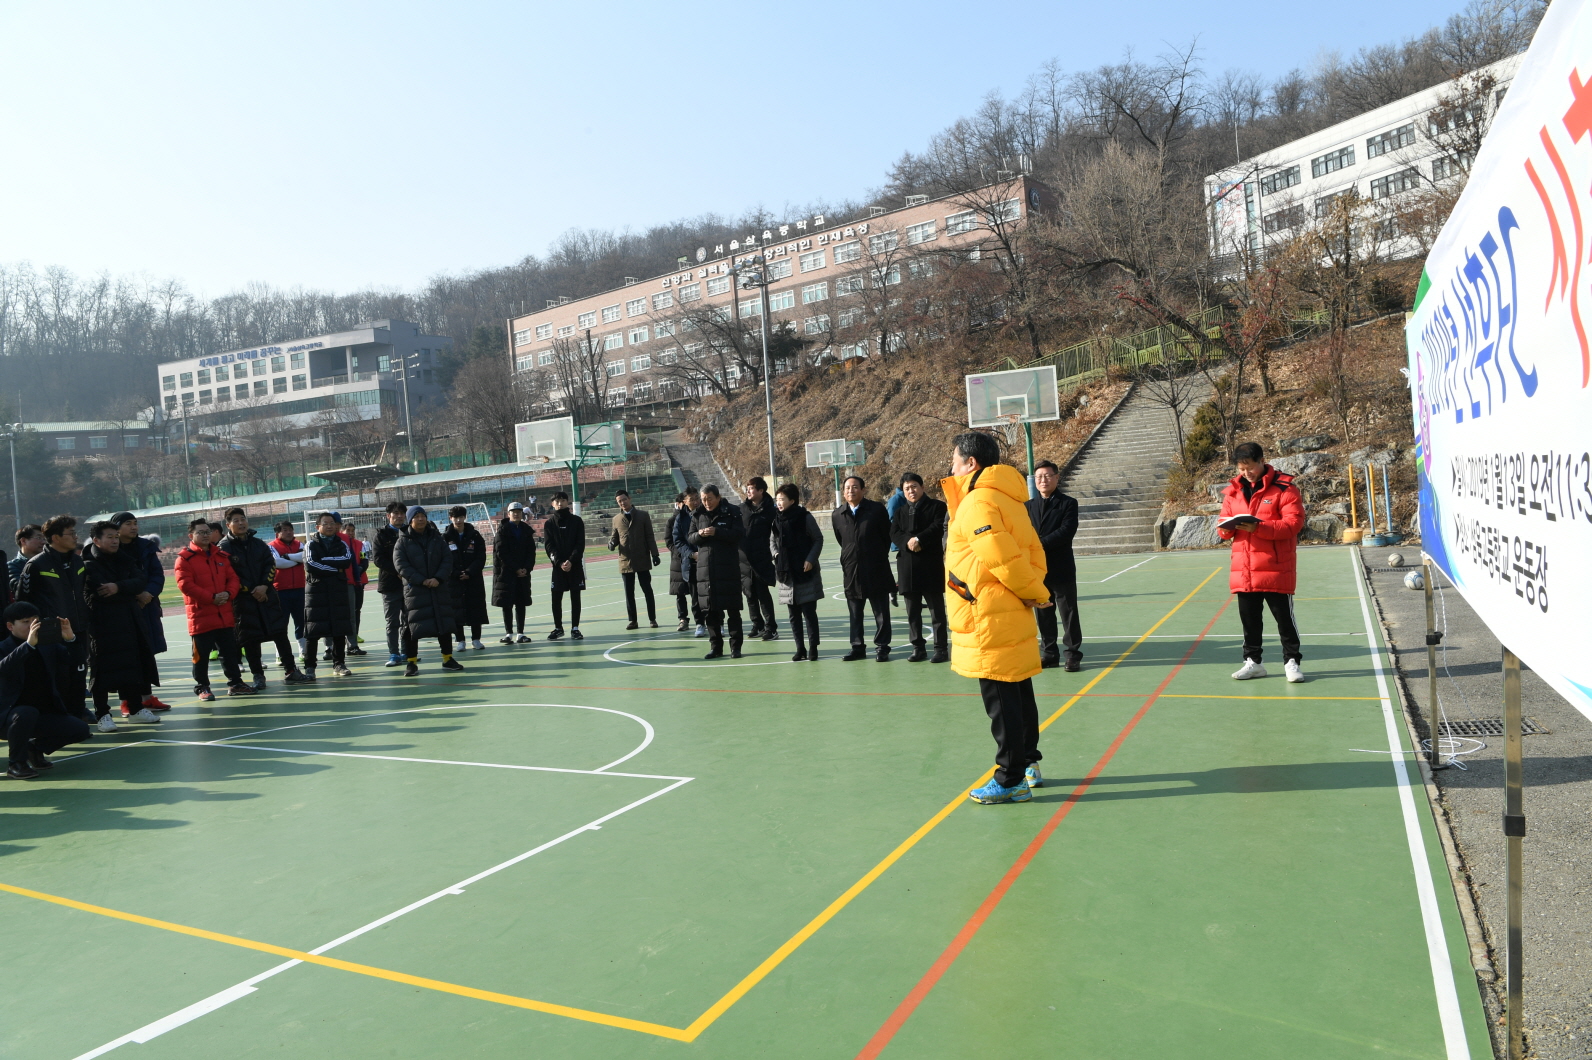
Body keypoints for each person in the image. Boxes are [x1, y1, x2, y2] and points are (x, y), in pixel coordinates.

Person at [943, 430, 1053, 805]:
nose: (951, 467)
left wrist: (1035, 592)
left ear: (971, 464)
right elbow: (1033, 552)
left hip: (987, 615)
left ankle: (1010, 778)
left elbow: (1001, 557)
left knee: (1002, 701)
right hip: (1008, 610)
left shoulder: (977, 502)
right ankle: (1028, 765)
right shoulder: (1010, 499)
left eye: (954, 460)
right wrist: (1032, 589)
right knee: (1019, 691)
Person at [1217, 441, 1307, 682]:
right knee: (1249, 620)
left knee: (1284, 619)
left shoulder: (1284, 488)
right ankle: (1253, 662)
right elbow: (1224, 523)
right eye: (1241, 468)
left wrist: (1259, 528)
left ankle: (1292, 662)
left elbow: (1293, 524)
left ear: (1262, 461)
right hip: (1244, 569)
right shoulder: (1233, 491)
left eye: (1250, 467)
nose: (1246, 472)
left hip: (1275, 566)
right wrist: (1226, 530)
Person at [81, 521, 163, 728]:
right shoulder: (88, 564)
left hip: (130, 621)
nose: (115, 540)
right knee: (101, 671)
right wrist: (128, 591)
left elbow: (140, 581)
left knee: (134, 666)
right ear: (96, 540)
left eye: (116, 536)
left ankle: (135, 708)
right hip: (103, 625)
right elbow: (100, 592)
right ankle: (102, 714)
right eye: (110, 536)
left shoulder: (125, 560)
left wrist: (118, 587)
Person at [220, 507, 309, 689]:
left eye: (242, 519)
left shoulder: (258, 543)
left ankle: (291, 670)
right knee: (250, 638)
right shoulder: (224, 548)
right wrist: (251, 590)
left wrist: (264, 586)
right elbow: (229, 575)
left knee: (279, 632)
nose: (241, 523)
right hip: (243, 600)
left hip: (267, 596)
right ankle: (258, 675)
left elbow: (270, 565)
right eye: (235, 520)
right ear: (228, 525)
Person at [0, 602, 91, 779]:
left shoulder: (48, 645)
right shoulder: (3, 647)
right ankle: (16, 763)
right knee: (26, 712)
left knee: (80, 729)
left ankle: (35, 750)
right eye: (26, 621)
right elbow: (3, 669)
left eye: (36, 620)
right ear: (10, 626)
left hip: (41, 714)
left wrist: (70, 639)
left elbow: (75, 661)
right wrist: (28, 646)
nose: (33, 625)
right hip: (7, 718)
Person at [173, 518, 256, 701]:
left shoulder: (221, 556)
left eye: (207, 532)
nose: (205, 535)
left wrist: (228, 593)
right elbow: (186, 585)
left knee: (229, 652)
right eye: (200, 532)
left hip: (223, 614)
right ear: (191, 536)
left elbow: (233, 579)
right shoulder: (184, 559)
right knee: (200, 656)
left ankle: (235, 683)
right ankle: (202, 686)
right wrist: (212, 598)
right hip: (201, 615)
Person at [18, 515, 92, 720]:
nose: (75, 537)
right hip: (51, 633)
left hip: (78, 628)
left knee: (79, 671)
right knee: (58, 676)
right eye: (71, 533)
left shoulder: (78, 560)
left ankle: (78, 711)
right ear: (56, 538)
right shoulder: (36, 565)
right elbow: (23, 600)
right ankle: (60, 715)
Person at [110, 513, 173, 712]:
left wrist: (149, 593)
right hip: (123, 608)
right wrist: (133, 594)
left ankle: (147, 697)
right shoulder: (110, 550)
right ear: (116, 528)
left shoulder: (145, 547)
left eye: (135, 523)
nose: (134, 527)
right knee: (126, 655)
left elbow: (156, 574)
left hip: (147, 606)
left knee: (146, 652)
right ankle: (127, 701)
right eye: (128, 524)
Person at [1026, 459, 1083, 672]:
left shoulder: (1068, 503)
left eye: (1048, 476)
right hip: (1037, 569)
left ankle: (1072, 654)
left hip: (1061, 567)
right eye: (1039, 476)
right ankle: (1049, 653)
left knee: (1068, 612)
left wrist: (1039, 544)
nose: (1043, 480)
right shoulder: (1028, 506)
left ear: (1056, 478)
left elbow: (1066, 531)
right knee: (1043, 612)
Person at [832, 476, 895, 662]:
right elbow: (841, 540)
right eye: (847, 488)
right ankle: (857, 647)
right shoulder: (837, 514)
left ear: (863, 490)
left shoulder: (876, 510)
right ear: (843, 492)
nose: (851, 490)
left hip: (876, 568)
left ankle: (882, 647)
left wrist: (876, 556)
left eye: (855, 487)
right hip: (852, 570)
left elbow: (886, 537)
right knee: (854, 612)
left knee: (881, 612)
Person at [394, 506, 462, 675]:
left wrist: (437, 578)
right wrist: (421, 580)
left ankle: (447, 658)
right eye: (416, 516)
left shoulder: (436, 538)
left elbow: (447, 559)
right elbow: (401, 565)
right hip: (415, 591)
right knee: (412, 626)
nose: (420, 519)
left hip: (437, 588)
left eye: (422, 515)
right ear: (410, 520)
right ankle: (411, 663)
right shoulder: (402, 541)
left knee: (443, 623)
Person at [891, 472, 949, 663]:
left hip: (930, 565)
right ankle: (918, 648)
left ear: (922, 487)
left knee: (936, 611)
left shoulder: (937, 507)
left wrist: (919, 539)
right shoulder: (899, 512)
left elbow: (938, 526)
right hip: (907, 567)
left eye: (914, 486)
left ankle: (940, 649)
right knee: (912, 612)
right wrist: (908, 541)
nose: (911, 491)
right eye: (907, 488)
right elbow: (894, 533)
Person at [687, 484, 744, 659]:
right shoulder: (697, 514)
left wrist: (717, 532)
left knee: (733, 611)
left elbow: (739, 534)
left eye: (709, 499)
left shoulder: (732, 511)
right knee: (710, 612)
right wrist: (700, 535)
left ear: (718, 497)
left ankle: (735, 648)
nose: (706, 503)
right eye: (703, 499)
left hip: (728, 568)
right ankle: (716, 648)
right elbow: (690, 537)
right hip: (706, 571)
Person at [771, 482, 824, 661]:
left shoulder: (805, 517)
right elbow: (772, 541)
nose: (778, 503)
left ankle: (813, 648)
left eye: (782, 499)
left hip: (805, 572)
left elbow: (818, 539)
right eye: (777, 499)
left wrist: (810, 559)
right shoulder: (776, 519)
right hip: (786, 574)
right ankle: (799, 648)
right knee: (793, 616)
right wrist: (776, 554)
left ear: (792, 500)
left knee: (809, 613)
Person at [302, 511, 354, 678]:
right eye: (326, 523)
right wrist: (334, 568)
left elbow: (346, 561)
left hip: (337, 591)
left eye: (332, 523)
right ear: (318, 527)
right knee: (313, 631)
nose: (330, 526)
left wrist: (323, 561)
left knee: (339, 629)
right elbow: (310, 564)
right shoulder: (310, 544)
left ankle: (339, 664)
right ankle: (310, 667)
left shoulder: (342, 544)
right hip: (316, 593)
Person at [609, 489, 660, 630]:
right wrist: (611, 544)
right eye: (619, 501)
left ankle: (652, 619)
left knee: (647, 590)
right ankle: (633, 621)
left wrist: (655, 554)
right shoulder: (616, 519)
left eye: (624, 499)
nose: (623, 503)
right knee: (629, 593)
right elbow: (615, 537)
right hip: (625, 561)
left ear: (629, 499)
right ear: (617, 503)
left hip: (642, 558)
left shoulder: (643, 516)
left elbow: (649, 536)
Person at [442, 506, 489, 649]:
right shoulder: (445, 537)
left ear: (465, 517)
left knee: (476, 608)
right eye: (455, 517)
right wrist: (456, 573)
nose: (458, 520)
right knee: (456, 609)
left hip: (473, 579)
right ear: (450, 518)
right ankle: (460, 640)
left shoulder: (475, 535)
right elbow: (444, 559)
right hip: (454, 581)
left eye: (461, 517)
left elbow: (481, 557)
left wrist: (469, 572)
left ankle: (476, 639)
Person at [738, 477, 779, 640]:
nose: (748, 491)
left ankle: (771, 628)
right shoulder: (741, 509)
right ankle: (757, 624)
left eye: (752, 488)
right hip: (744, 559)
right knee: (749, 593)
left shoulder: (771, 510)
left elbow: (776, 534)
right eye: (747, 488)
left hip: (761, 557)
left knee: (763, 593)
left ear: (761, 491)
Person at [492, 501, 536, 643]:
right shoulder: (502, 530)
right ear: (508, 514)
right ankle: (508, 633)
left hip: (522, 574)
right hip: (506, 574)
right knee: (507, 604)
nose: (516, 514)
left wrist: (526, 568)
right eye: (513, 512)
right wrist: (516, 568)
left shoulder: (526, 530)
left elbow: (531, 552)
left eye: (519, 511)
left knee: (521, 603)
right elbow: (501, 553)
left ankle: (520, 633)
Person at [543, 492, 585, 640]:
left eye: (562, 500)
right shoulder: (549, 524)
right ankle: (558, 628)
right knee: (556, 597)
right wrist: (560, 562)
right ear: (553, 504)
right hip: (558, 567)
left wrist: (571, 561)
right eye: (557, 501)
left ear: (568, 502)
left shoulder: (577, 521)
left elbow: (580, 545)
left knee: (575, 596)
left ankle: (575, 628)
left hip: (575, 566)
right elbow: (549, 546)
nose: (560, 503)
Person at [372, 502, 408, 666]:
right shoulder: (381, 535)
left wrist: (408, 573)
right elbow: (379, 559)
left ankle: (408, 651)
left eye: (401, 513)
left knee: (408, 620)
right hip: (390, 585)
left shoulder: (410, 532)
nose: (399, 516)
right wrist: (398, 572)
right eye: (395, 513)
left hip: (409, 584)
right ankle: (394, 653)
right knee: (392, 621)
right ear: (388, 516)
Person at [668, 489, 706, 636]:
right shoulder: (680, 518)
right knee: (695, 596)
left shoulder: (705, 513)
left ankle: (717, 623)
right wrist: (691, 554)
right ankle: (699, 624)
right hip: (690, 562)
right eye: (692, 499)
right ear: (684, 502)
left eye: (697, 498)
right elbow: (677, 540)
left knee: (710, 594)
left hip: (707, 560)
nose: (696, 501)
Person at [268, 521, 307, 664]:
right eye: (285, 530)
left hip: (300, 589)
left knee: (301, 622)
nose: (289, 532)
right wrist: (296, 560)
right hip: (280, 591)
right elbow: (277, 563)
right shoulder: (271, 546)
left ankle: (303, 651)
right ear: (277, 533)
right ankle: (280, 654)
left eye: (290, 529)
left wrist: (287, 557)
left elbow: (305, 557)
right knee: (280, 624)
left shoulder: (300, 544)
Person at [339, 519, 370, 657]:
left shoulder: (359, 544)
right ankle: (336, 644)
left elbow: (364, 560)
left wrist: (359, 568)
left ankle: (353, 638)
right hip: (344, 583)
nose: (351, 533)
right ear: (342, 531)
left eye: (353, 530)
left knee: (356, 610)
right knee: (344, 613)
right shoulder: (340, 544)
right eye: (348, 531)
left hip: (358, 582)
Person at [8, 524, 43, 598]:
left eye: (45, 538)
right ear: (23, 541)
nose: (43, 542)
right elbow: (19, 588)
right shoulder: (12, 566)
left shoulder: (48, 564)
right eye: (39, 537)